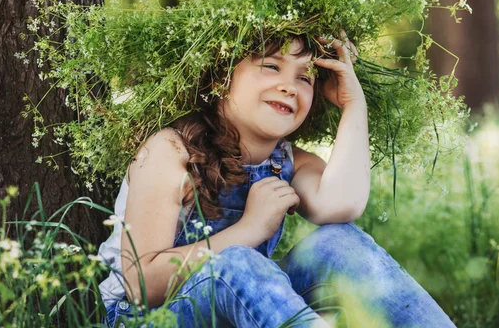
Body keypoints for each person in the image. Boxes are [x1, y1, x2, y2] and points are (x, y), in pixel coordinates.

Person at [97, 30, 457, 327]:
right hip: (151, 319)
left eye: (304, 77)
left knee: (338, 241)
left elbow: (342, 204)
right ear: (222, 77)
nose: (289, 86)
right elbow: (140, 285)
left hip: (243, 310)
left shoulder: (289, 161)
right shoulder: (171, 151)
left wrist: (353, 103)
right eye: (271, 66)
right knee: (238, 262)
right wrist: (250, 229)